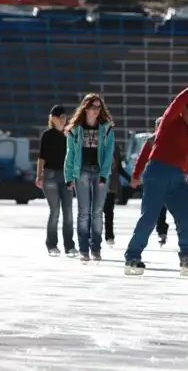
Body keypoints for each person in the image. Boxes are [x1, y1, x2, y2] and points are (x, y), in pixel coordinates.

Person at [124, 77, 188, 276]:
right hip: (158, 173)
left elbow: (185, 156)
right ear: (183, 110)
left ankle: (187, 256)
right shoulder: (170, 120)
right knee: (150, 218)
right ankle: (133, 257)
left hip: (178, 179)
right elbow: (178, 101)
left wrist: (186, 172)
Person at [64, 94, 115, 262]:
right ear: (85, 108)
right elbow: (70, 154)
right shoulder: (74, 129)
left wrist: (104, 173)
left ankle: (96, 248)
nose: (96, 110)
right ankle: (84, 249)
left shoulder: (107, 128)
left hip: (99, 171)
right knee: (84, 212)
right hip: (82, 172)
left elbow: (109, 153)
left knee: (97, 212)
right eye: (93, 106)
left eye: (98, 107)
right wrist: (68, 176)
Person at [36, 105, 77, 257]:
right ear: (52, 118)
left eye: (64, 117)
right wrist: (39, 175)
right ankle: (51, 244)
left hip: (66, 176)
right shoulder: (47, 135)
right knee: (55, 211)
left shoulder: (69, 135)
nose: (63, 120)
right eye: (59, 117)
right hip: (50, 175)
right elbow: (41, 157)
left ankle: (69, 245)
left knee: (68, 212)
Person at [130, 117, 172, 247]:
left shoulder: (174, 141)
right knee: (150, 209)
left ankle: (162, 231)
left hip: (168, 178)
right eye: (160, 126)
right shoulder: (150, 141)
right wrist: (136, 175)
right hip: (152, 178)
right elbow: (141, 160)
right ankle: (141, 238)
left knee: (163, 208)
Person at [103, 144, 131, 246]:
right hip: (97, 183)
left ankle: (109, 236)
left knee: (109, 212)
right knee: (94, 212)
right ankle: (91, 237)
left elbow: (118, 167)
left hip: (111, 184)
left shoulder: (115, 146)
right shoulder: (96, 141)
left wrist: (130, 179)